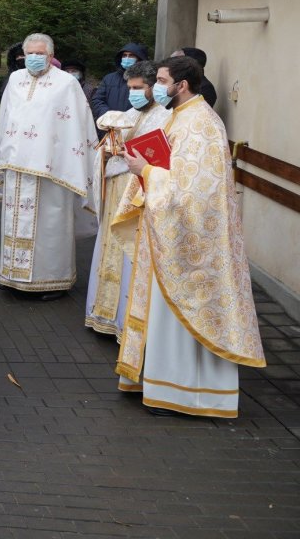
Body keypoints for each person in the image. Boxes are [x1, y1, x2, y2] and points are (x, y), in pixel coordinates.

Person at [112, 55, 264, 416]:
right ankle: (159, 381)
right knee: (163, 311)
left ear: (182, 85)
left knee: (181, 312)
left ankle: (184, 394)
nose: (157, 87)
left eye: (162, 81)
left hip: (190, 243)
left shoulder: (200, 123)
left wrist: (144, 169)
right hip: (170, 231)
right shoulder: (181, 116)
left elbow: (191, 190)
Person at [0, 33, 96, 298]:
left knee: (49, 225)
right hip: (16, 165)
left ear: (51, 55)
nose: (35, 58)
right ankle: (12, 275)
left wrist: (71, 163)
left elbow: (77, 125)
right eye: (30, 54)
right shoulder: (15, 80)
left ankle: (52, 280)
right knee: (14, 222)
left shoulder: (66, 84)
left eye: (40, 53)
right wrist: (1, 158)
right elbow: (5, 120)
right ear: (23, 56)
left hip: (51, 169)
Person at [84, 60, 169, 337]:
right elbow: (108, 144)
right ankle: (106, 313)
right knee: (110, 248)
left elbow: (163, 161)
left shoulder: (165, 116)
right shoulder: (132, 112)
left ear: (152, 87)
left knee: (130, 255)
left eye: (138, 87)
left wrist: (130, 157)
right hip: (116, 191)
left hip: (139, 196)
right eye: (130, 87)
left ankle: (128, 324)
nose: (132, 92)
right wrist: (108, 153)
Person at [90, 43, 149, 121]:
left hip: (136, 124)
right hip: (110, 125)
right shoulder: (109, 78)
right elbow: (97, 100)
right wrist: (108, 114)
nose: (127, 58)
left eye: (131, 55)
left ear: (139, 58)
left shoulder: (147, 78)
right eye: (124, 55)